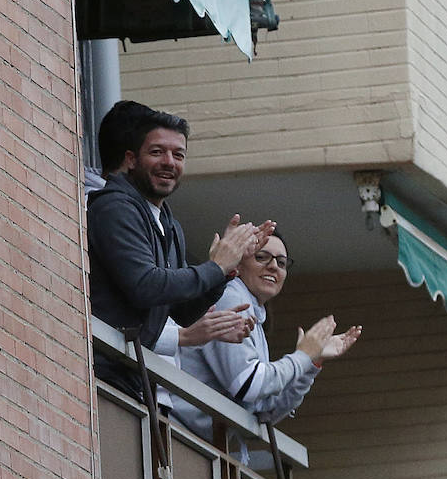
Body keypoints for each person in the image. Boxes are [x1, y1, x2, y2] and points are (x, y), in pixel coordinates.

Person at [87, 105, 269, 399]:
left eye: (178, 155)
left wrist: (225, 270)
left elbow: (182, 312)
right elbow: (145, 287)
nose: (169, 162)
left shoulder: (170, 224)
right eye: (157, 152)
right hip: (103, 376)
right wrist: (215, 268)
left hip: (134, 380)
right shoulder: (114, 207)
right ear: (131, 159)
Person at [175, 231, 360, 440]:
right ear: (238, 264)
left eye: (281, 262)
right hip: (177, 434)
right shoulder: (231, 298)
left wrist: (311, 364)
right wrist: (302, 357)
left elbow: (264, 410)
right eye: (261, 257)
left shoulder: (250, 309)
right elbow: (248, 384)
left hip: (196, 442)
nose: (273, 266)